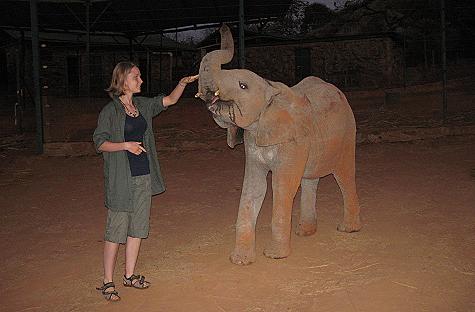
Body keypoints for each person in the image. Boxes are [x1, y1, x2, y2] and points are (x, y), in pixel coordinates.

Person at [93, 61, 198, 302]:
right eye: (136, 77)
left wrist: (182, 83)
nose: (141, 81)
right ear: (122, 81)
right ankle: (107, 281)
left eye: (139, 77)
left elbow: (169, 101)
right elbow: (100, 143)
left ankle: (129, 276)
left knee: (137, 228)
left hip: (143, 176)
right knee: (115, 231)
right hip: (121, 179)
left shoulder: (141, 105)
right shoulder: (110, 111)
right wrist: (125, 145)